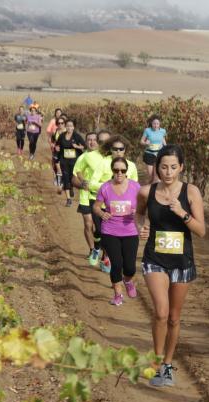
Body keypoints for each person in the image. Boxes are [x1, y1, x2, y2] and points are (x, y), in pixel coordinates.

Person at [136, 145, 205, 387]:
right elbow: (139, 214)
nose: (168, 171)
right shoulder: (146, 192)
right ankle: (156, 361)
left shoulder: (191, 192)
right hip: (154, 258)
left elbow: (201, 231)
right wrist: (141, 227)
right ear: (157, 168)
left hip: (181, 261)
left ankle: (167, 364)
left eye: (173, 167)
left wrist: (182, 213)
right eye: (164, 167)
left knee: (174, 318)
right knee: (161, 312)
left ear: (181, 168)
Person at [92, 156, 142, 306]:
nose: (119, 173)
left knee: (130, 267)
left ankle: (128, 281)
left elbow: (143, 207)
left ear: (127, 171)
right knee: (116, 264)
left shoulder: (135, 187)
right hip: (110, 231)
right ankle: (118, 295)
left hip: (130, 231)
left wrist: (137, 212)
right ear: (112, 171)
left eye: (123, 170)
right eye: (116, 170)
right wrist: (102, 213)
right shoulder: (105, 187)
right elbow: (95, 206)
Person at [72, 130, 111, 263]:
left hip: (104, 198)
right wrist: (82, 184)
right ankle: (92, 249)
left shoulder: (108, 157)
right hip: (86, 196)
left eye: (95, 140)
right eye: (89, 139)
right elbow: (74, 177)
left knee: (102, 228)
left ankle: (104, 254)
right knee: (89, 224)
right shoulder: (83, 157)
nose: (92, 142)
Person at [55, 119, 85, 207]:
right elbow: (57, 145)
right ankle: (68, 199)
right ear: (65, 127)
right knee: (66, 178)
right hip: (64, 161)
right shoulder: (61, 136)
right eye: (67, 125)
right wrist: (57, 149)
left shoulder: (76, 136)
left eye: (71, 126)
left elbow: (84, 146)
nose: (69, 127)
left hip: (75, 161)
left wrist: (77, 146)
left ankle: (71, 186)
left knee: (73, 178)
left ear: (73, 127)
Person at [140, 115, 166, 183]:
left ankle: (157, 190)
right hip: (149, 154)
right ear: (151, 123)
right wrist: (146, 143)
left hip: (159, 153)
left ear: (159, 124)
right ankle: (149, 187)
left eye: (157, 124)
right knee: (151, 175)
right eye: (154, 123)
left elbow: (163, 139)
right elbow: (141, 141)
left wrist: (166, 147)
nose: (156, 125)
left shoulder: (163, 131)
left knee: (158, 175)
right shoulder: (147, 130)